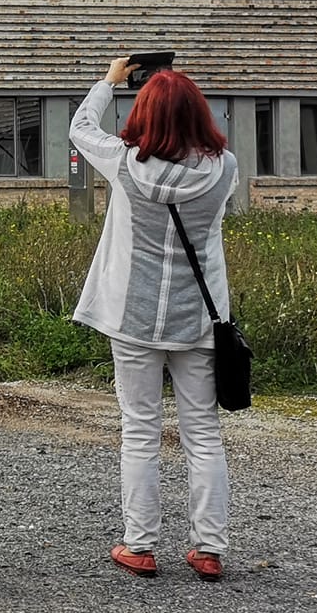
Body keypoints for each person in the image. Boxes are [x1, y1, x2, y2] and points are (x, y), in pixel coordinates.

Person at [71, 59, 237, 581]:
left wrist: (109, 80)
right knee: (203, 433)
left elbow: (79, 130)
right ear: (198, 115)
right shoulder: (226, 168)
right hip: (200, 316)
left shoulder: (124, 164)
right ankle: (208, 548)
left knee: (140, 430)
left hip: (133, 317)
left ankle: (139, 545)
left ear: (144, 113)